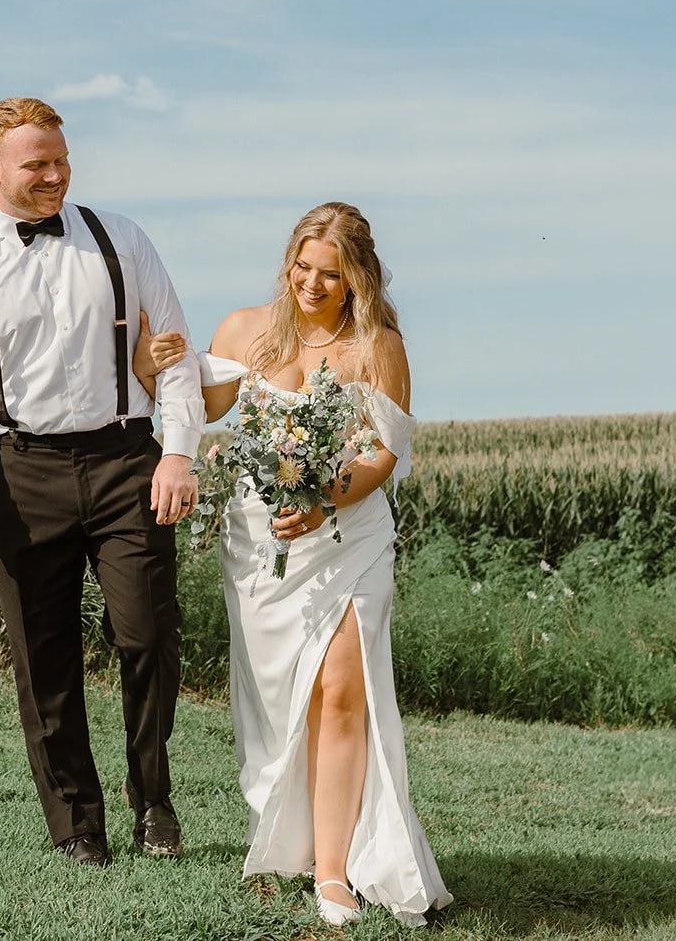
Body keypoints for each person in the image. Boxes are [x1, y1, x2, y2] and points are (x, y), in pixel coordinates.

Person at [0, 97, 203, 868]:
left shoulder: (122, 239)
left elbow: (174, 350)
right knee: (44, 658)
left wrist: (179, 452)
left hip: (127, 459)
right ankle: (77, 825)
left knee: (147, 633)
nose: (55, 176)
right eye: (36, 164)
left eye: (61, 160)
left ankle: (152, 797)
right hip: (20, 471)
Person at [135, 202, 452, 926]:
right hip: (260, 543)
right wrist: (151, 368)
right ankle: (287, 843)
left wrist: (322, 501)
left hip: (348, 536)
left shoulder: (377, 347)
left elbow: (383, 452)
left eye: (329, 274)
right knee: (278, 702)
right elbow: (199, 406)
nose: (310, 283)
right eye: (302, 267)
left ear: (357, 280)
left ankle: (334, 871)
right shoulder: (245, 330)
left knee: (341, 692)